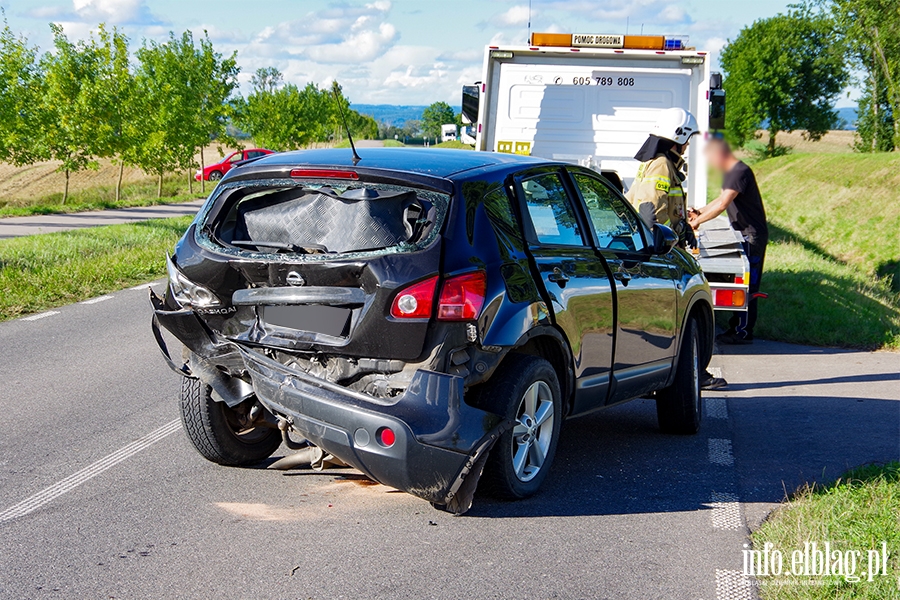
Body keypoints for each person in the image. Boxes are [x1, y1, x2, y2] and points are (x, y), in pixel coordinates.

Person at [688, 138, 768, 344]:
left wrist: (696, 223)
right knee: (745, 282)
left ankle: (742, 332)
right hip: (744, 234)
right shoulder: (732, 173)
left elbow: (723, 204)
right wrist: (699, 212)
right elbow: (719, 200)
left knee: (748, 285)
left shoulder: (739, 172)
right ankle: (738, 327)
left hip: (752, 236)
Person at [626, 107, 699, 249]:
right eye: (687, 140)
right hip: (661, 247)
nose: (687, 144)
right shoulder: (661, 164)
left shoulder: (659, 162)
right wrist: (672, 240)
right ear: (678, 137)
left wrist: (683, 227)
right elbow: (652, 210)